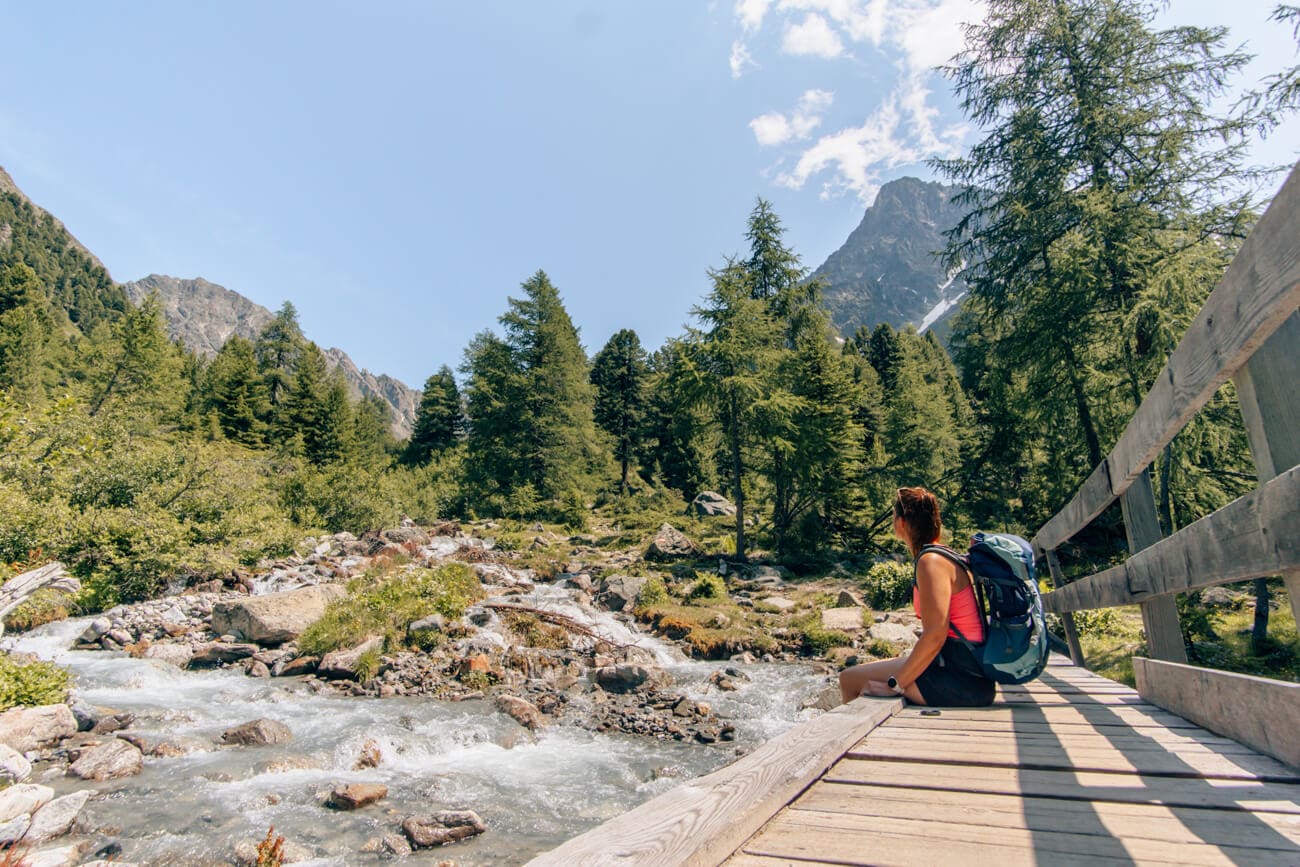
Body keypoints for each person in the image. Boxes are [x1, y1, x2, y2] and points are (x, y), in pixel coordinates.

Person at [838, 486, 996, 707]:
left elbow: (935, 634)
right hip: (964, 671)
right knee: (859, 676)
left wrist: (896, 685)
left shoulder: (931, 562)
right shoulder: (943, 554)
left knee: (850, 680)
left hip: (961, 681)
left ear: (901, 523)